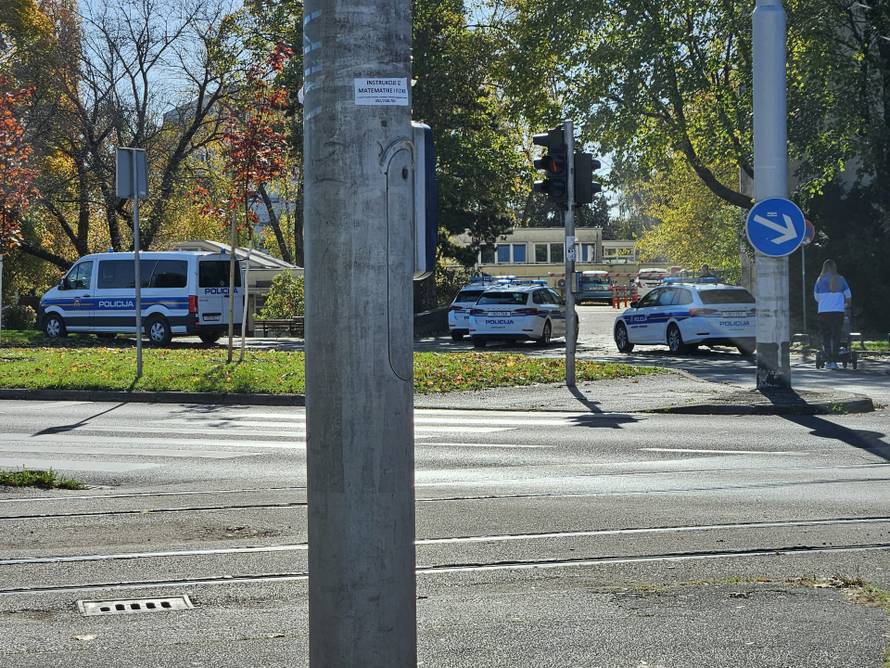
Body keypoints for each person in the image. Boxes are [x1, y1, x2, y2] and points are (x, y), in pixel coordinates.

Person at [813, 259, 851, 369]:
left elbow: (817, 297)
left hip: (823, 311)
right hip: (837, 312)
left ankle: (828, 360)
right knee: (836, 335)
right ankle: (834, 360)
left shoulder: (819, 280)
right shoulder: (841, 279)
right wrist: (844, 304)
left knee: (826, 335)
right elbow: (848, 296)